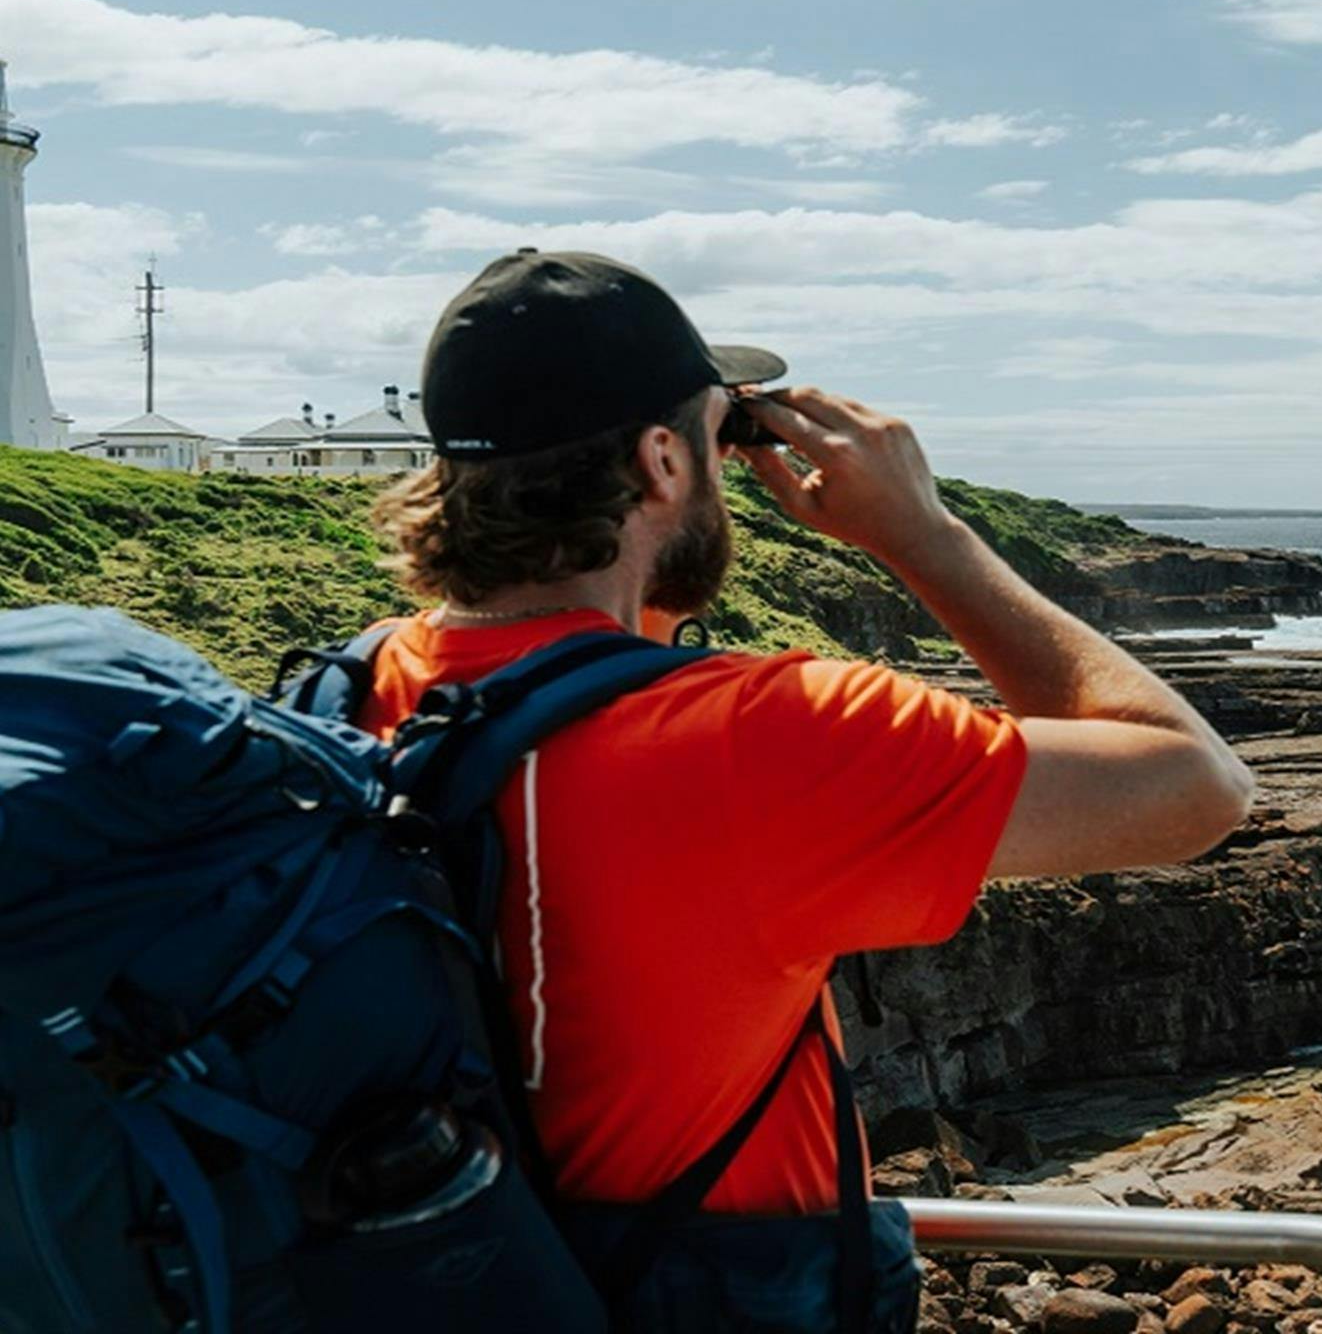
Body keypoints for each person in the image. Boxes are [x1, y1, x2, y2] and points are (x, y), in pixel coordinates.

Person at [356, 247, 1254, 1330]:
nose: (729, 464)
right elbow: (1194, 789)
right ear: (660, 459)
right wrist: (922, 534)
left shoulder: (348, 689)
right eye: (717, 433)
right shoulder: (761, 738)